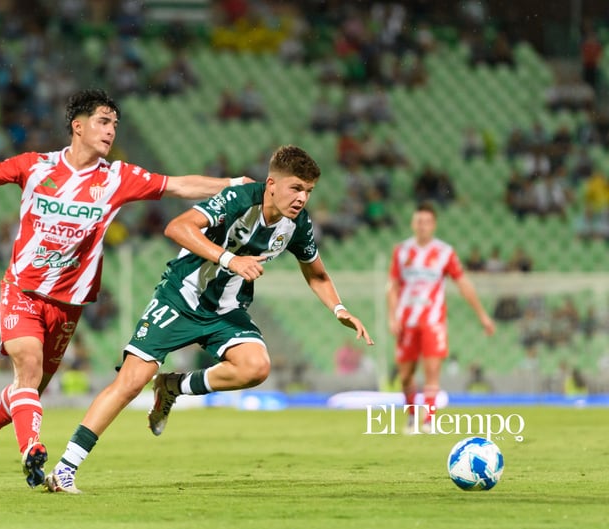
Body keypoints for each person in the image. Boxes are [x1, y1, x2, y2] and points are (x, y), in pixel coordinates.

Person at [0, 88, 249, 489]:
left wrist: (232, 184)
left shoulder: (118, 178)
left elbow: (178, 185)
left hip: (68, 305)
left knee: (29, 389)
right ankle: (32, 450)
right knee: (28, 370)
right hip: (22, 291)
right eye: (104, 122)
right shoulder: (35, 166)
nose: (110, 131)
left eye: (115, 125)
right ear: (78, 126)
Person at [43, 145, 374, 494]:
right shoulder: (239, 199)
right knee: (130, 382)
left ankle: (172, 386)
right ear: (271, 183)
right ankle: (65, 469)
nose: (302, 198)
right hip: (181, 297)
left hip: (226, 310)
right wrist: (231, 260)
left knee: (255, 367)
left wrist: (340, 310)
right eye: (296, 188)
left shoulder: (297, 224)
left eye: (309, 191)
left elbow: (318, 275)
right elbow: (177, 227)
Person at [387, 202, 495, 434]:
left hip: (433, 320)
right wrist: (392, 317)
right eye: (418, 221)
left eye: (427, 222)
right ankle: (412, 415)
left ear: (433, 225)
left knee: (432, 370)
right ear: (412, 224)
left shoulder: (445, 252)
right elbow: (392, 287)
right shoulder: (402, 251)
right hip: (406, 321)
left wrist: (482, 315)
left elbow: (463, 283)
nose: (422, 226)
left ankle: (428, 419)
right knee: (405, 376)